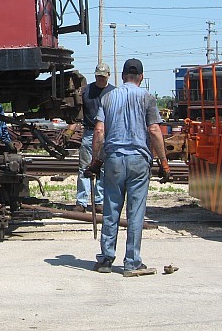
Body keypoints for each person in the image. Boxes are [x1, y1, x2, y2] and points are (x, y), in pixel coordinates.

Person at [85, 58, 171, 277]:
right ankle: (132, 263)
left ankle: (105, 259)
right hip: (138, 161)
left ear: (122, 76)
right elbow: (153, 130)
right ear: (141, 77)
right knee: (135, 212)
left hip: (113, 160)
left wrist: (96, 161)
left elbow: (99, 132)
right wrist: (164, 162)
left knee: (111, 209)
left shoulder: (108, 97)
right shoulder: (147, 98)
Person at [73, 63, 114, 213]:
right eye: (98, 76)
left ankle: (99, 201)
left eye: (103, 77)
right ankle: (81, 202)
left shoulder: (113, 92)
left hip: (107, 134)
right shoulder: (86, 91)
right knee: (84, 167)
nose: (100, 79)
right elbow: (78, 111)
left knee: (103, 169)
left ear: (108, 75)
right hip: (89, 133)